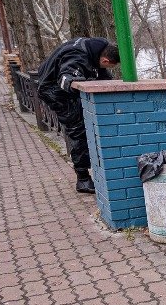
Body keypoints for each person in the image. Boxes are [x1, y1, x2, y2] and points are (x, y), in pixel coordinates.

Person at [35, 37, 120, 193]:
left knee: (85, 126)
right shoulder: (77, 57)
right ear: (106, 59)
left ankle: (94, 169)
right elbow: (65, 79)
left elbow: (103, 75)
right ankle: (82, 179)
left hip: (53, 84)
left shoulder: (95, 48)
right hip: (55, 92)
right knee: (77, 130)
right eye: (109, 66)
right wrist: (79, 83)